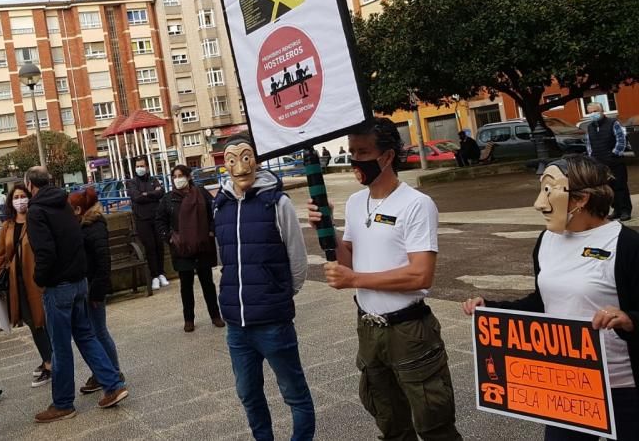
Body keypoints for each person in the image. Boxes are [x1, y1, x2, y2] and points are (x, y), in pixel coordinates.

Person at [463, 155, 639, 440]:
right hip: (566, 388)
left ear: (580, 199)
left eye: (548, 191)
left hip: (621, 386)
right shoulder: (547, 240)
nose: (539, 203)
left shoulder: (627, 245)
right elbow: (543, 302)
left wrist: (629, 319)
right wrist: (492, 308)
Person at [307, 117, 461, 441]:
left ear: (387, 156)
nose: (355, 160)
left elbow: (421, 274)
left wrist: (355, 279)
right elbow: (350, 259)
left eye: (362, 152)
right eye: (351, 151)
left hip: (410, 332)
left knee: (435, 426)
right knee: (390, 423)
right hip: (369, 329)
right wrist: (327, 227)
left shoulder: (416, 204)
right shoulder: (354, 202)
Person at [215, 134, 314, 441]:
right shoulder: (220, 206)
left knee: (294, 394)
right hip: (237, 326)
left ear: (256, 159)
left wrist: (279, 293)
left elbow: (297, 258)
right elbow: (224, 259)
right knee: (248, 394)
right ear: (224, 165)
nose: (240, 166)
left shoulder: (277, 202)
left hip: (273, 321)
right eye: (231, 160)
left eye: (246, 157)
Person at [25, 166, 129, 423]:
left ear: (29, 185)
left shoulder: (37, 211)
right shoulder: (63, 203)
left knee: (60, 348)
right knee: (86, 336)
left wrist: (40, 279)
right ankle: (112, 384)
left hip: (58, 286)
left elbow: (45, 252)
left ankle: (62, 404)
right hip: (79, 281)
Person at [0, 184, 52, 388]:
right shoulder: (7, 226)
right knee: (32, 321)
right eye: (16, 197)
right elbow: (1, 254)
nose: (20, 200)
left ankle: (49, 363)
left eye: (23, 196)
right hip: (16, 282)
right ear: (10, 202)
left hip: (36, 279)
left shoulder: (36, 219)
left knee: (40, 321)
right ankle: (48, 358)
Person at [68, 188, 124, 395]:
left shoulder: (93, 226)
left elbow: (102, 262)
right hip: (88, 286)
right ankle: (103, 372)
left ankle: (113, 372)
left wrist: (96, 292)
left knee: (98, 331)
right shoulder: (84, 225)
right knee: (94, 331)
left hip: (93, 289)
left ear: (79, 209)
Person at [156, 164, 224, 333]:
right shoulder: (168, 199)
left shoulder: (201, 193)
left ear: (188, 176)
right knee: (186, 286)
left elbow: (215, 212)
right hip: (182, 249)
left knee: (207, 283)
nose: (177, 179)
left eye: (180, 175)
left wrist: (211, 231)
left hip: (202, 245)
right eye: (174, 176)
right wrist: (170, 238)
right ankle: (189, 319)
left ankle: (215, 315)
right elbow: (160, 221)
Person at [126, 157, 167, 290]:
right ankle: (154, 276)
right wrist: (151, 194)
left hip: (156, 217)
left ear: (147, 166)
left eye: (142, 165)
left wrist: (146, 194)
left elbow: (161, 192)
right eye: (137, 166)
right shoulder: (132, 182)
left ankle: (161, 273)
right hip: (142, 219)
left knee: (159, 246)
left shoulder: (153, 180)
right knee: (149, 247)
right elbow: (136, 197)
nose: (140, 168)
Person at [585, 102, 631, 221]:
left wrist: (615, 153)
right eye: (590, 112)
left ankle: (625, 210)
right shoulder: (590, 127)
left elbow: (621, 139)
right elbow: (589, 144)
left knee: (620, 186)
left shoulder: (613, 123)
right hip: (599, 163)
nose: (592, 114)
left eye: (595, 111)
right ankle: (616, 210)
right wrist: (592, 157)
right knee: (607, 188)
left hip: (615, 162)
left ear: (601, 111)